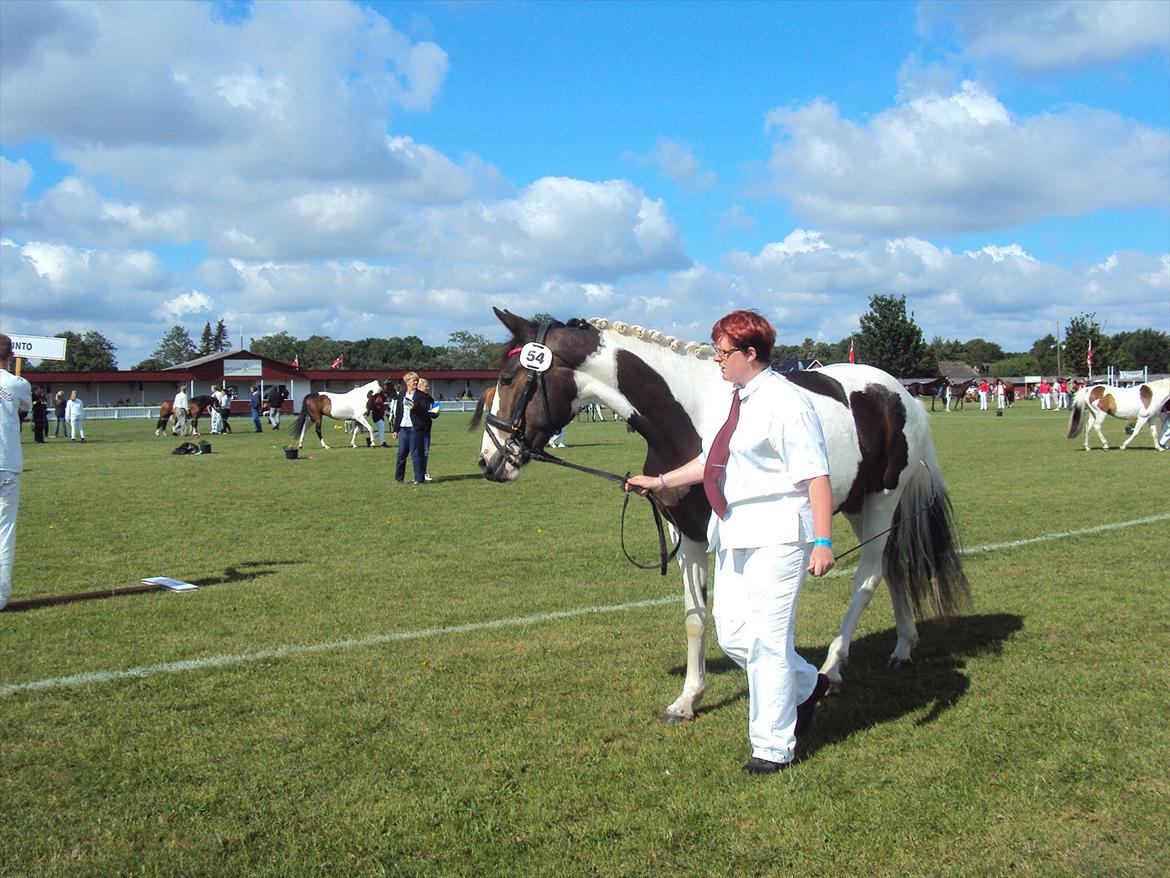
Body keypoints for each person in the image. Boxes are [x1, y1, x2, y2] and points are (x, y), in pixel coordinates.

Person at [625, 309, 835, 775]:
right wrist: (659, 481)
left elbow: (816, 477)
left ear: (750, 354)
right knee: (734, 635)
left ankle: (773, 747)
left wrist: (822, 539)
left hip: (778, 534)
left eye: (723, 352)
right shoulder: (732, 399)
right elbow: (712, 462)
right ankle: (808, 685)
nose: (717, 360)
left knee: (767, 642)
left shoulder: (787, 403)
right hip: (734, 531)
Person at [1, 335, 33, 609]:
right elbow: (25, 406)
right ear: (11, 356)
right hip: (6, 463)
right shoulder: (17, 383)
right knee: (3, 531)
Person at [391, 372, 427, 484]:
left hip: (414, 429)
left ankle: (419, 479)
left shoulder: (421, 396)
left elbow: (426, 411)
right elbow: (399, 412)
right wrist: (395, 430)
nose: (415, 382)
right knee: (401, 454)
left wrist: (415, 408)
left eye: (416, 380)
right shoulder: (402, 395)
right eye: (413, 380)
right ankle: (399, 479)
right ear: (407, 382)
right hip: (403, 428)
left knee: (415, 454)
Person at [416, 378, 439, 480]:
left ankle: (423, 473)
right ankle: (417, 474)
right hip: (416, 427)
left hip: (426, 427)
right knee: (416, 452)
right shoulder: (414, 397)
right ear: (419, 386)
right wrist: (428, 413)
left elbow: (433, 414)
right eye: (426, 386)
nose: (428, 388)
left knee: (425, 452)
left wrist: (436, 413)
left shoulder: (430, 398)